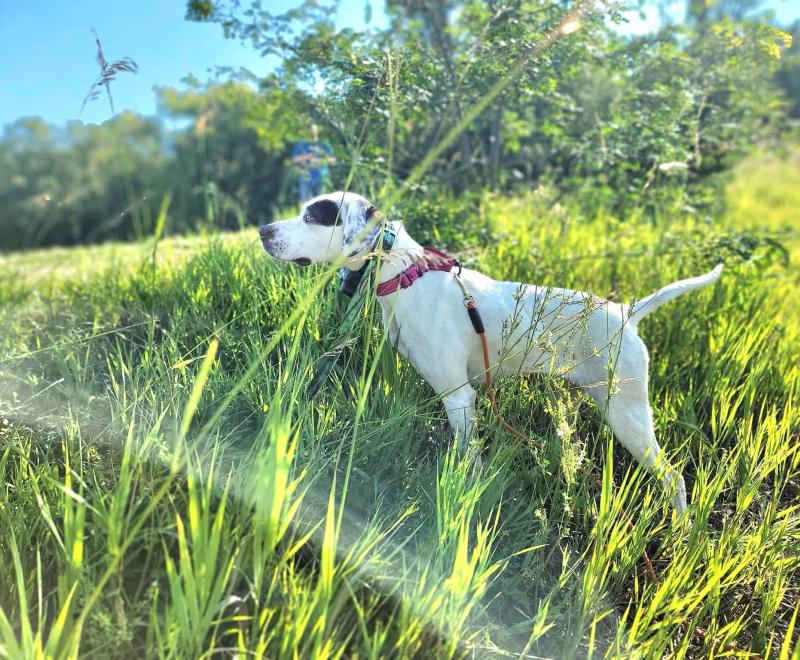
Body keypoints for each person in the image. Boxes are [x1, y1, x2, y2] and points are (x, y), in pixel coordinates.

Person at [290, 124, 336, 202]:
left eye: (313, 129)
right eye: (309, 129)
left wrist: (319, 160)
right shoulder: (301, 143)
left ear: (317, 130)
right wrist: (307, 157)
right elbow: (294, 159)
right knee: (305, 203)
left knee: (321, 203)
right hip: (305, 177)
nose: (311, 132)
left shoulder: (324, 143)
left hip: (321, 178)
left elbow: (332, 161)